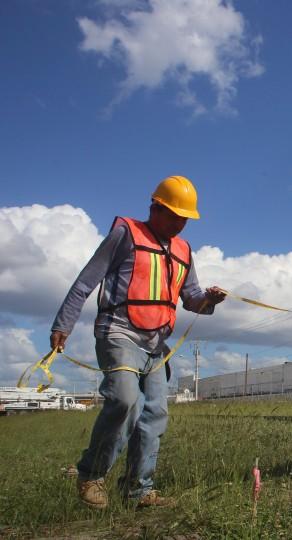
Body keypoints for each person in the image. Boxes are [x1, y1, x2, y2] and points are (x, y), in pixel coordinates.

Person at [50, 175, 226, 509]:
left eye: (185, 219)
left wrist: (211, 300)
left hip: (156, 345)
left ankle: (138, 490)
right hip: (118, 331)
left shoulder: (184, 251)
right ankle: (90, 474)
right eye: (174, 216)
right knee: (125, 399)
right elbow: (86, 280)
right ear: (155, 208)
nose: (180, 225)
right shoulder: (126, 234)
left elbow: (192, 299)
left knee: (156, 413)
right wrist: (63, 323)